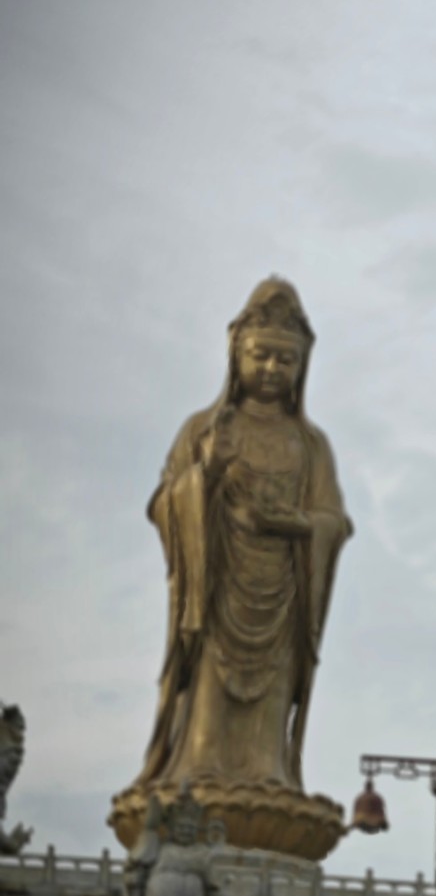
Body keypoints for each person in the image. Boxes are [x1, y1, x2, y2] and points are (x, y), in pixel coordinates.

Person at [126, 279, 352, 804]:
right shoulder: (203, 428)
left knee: (268, 715)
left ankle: (268, 771)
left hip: (281, 600)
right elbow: (165, 503)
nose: (273, 370)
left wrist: (293, 523)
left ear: (302, 369)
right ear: (236, 355)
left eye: (285, 361)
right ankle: (198, 767)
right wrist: (204, 479)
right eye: (262, 356)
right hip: (215, 592)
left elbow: (332, 521)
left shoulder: (309, 445)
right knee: (206, 697)